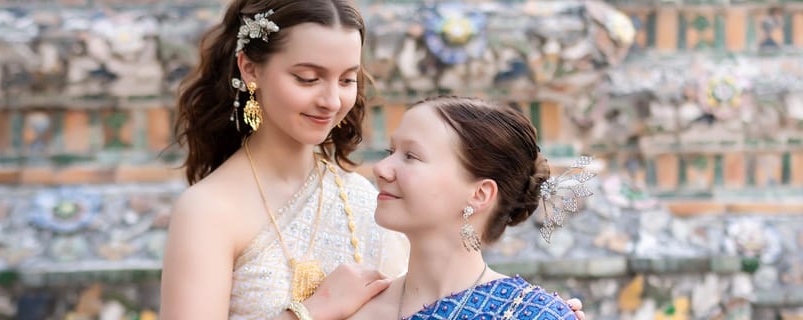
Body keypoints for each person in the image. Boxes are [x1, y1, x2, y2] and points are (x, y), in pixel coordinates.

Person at [159, 0, 586, 318]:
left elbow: (434, 294)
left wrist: (522, 310)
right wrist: (311, 312)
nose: (330, 100)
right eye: (307, 78)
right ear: (250, 70)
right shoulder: (210, 210)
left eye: (347, 79)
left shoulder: (365, 199)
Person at [349, 96, 586, 320]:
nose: (381, 168)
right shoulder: (351, 307)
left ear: (480, 194)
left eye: (411, 156)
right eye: (391, 152)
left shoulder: (531, 314)